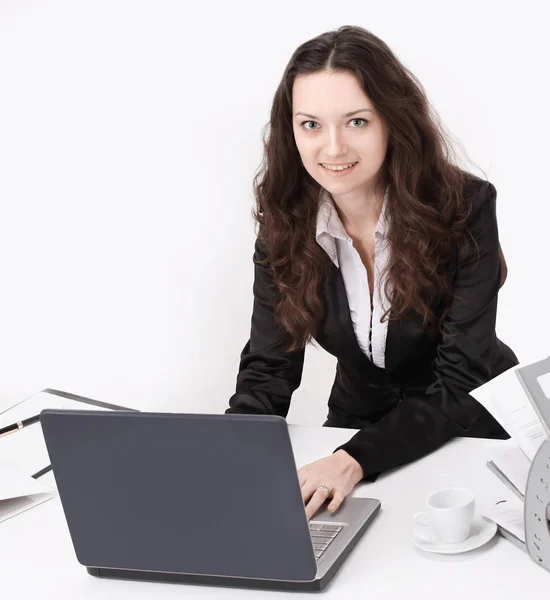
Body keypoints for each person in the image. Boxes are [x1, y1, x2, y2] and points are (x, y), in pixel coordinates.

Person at [225, 25, 518, 520]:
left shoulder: (464, 207)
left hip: (469, 429)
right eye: (310, 125)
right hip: (356, 422)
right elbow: (269, 368)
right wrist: (227, 457)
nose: (333, 148)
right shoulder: (285, 220)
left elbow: (460, 381)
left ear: (392, 121)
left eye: (356, 122)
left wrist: (353, 459)